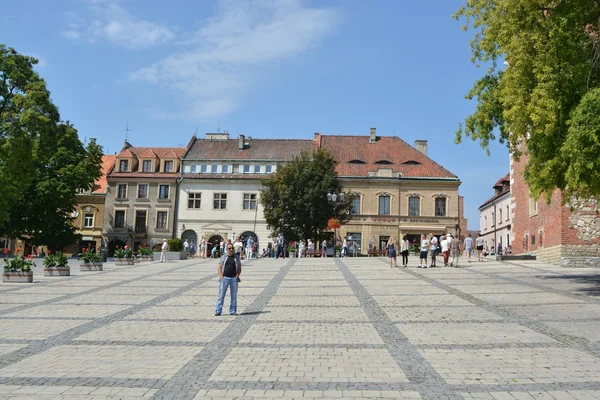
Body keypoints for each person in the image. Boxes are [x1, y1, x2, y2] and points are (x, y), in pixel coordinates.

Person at [215, 243, 242, 316]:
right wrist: (221, 277)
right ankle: (218, 310)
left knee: (234, 296)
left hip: (234, 279)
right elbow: (219, 267)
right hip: (225, 278)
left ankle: (232, 311)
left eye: (232, 248)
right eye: (230, 248)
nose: (231, 249)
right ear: (227, 249)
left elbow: (239, 267)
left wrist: (237, 275)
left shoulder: (236, 257)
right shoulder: (223, 257)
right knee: (221, 295)